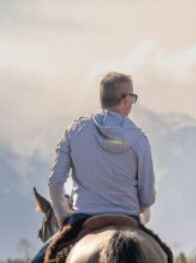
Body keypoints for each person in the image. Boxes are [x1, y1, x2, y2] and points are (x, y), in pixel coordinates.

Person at [30, 72, 156, 263]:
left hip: (84, 218)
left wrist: (64, 218)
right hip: (129, 216)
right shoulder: (140, 140)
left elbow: (55, 182)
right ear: (125, 99)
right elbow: (147, 197)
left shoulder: (76, 130)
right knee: (165, 255)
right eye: (132, 97)